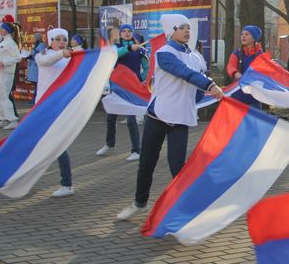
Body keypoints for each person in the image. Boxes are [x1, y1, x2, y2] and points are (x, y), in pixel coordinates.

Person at [117, 14, 224, 221]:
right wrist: (210, 85)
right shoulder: (164, 53)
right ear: (171, 31)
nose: (187, 31)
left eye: (188, 28)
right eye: (181, 27)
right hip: (158, 116)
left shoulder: (195, 57)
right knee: (147, 162)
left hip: (181, 118)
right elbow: (183, 72)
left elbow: (197, 86)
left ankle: (184, 210)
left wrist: (196, 96)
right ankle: (139, 203)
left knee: (178, 166)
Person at [34, 28, 77, 197]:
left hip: (59, 107)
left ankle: (67, 184)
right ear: (50, 41)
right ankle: (27, 176)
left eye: (64, 39)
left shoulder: (70, 59)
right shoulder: (41, 55)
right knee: (38, 144)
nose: (61, 42)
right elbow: (47, 61)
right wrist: (63, 54)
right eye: (57, 39)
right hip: (42, 107)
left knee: (58, 145)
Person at [97, 24, 146, 161]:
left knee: (131, 120)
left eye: (129, 31)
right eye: (124, 31)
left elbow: (147, 68)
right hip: (117, 87)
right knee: (111, 117)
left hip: (132, 89)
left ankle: (136, 150)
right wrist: (129, 48)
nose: (126, 33)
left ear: (133, 33)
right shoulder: (115, 47)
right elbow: (116, 55)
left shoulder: (139, 50)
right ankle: (109, 144)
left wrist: (140, 80)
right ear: (120, 34)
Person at [0, 20, 22, 130]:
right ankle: (3, 118)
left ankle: (12, 120)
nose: (0, 30)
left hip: (6, 73)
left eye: (2, 28)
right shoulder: (4, 42)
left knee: (4, 96)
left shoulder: (10, 43)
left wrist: (4, 63)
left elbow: (18, 57)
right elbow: (2, 56)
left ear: (7, 31)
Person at [226, 25, 264, 106]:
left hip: (254, 98)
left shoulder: (261, 56)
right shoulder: (237, 53)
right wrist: (236, 73)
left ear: (254, 38)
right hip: (238, 96)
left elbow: (263, 72)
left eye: (247, 34)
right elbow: (230, 66)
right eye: (242, 34)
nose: (243, 36)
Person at [25, 33, 46, 104]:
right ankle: (34, 100)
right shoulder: (36, 45)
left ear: (38, 38)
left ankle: (35, 100)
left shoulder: (41, 45)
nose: (34, 39)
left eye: (35, 38)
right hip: (33, 66)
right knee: (35, 84)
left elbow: (42, 54)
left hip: (37, 67)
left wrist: (33, 56)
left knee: (37, 84)